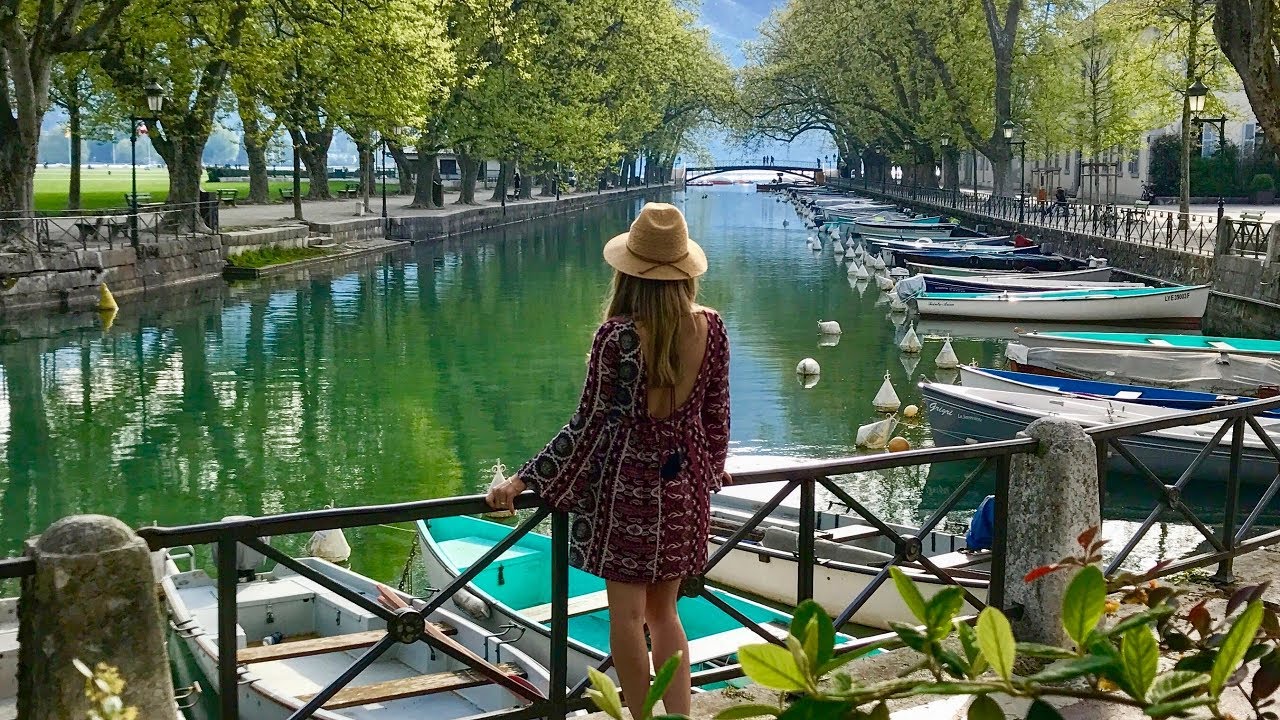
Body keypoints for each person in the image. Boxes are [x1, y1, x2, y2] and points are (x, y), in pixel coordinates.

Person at [487, 202, 731, 719]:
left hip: (628, 490)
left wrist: (524, 479)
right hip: (684, 486)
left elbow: (588, 427)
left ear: (629, 271)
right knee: (666, 615)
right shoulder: (711, 328)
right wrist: (711, 469)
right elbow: (717, 415)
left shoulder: (617, 337)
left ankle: (638, 719)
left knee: (627, 617)